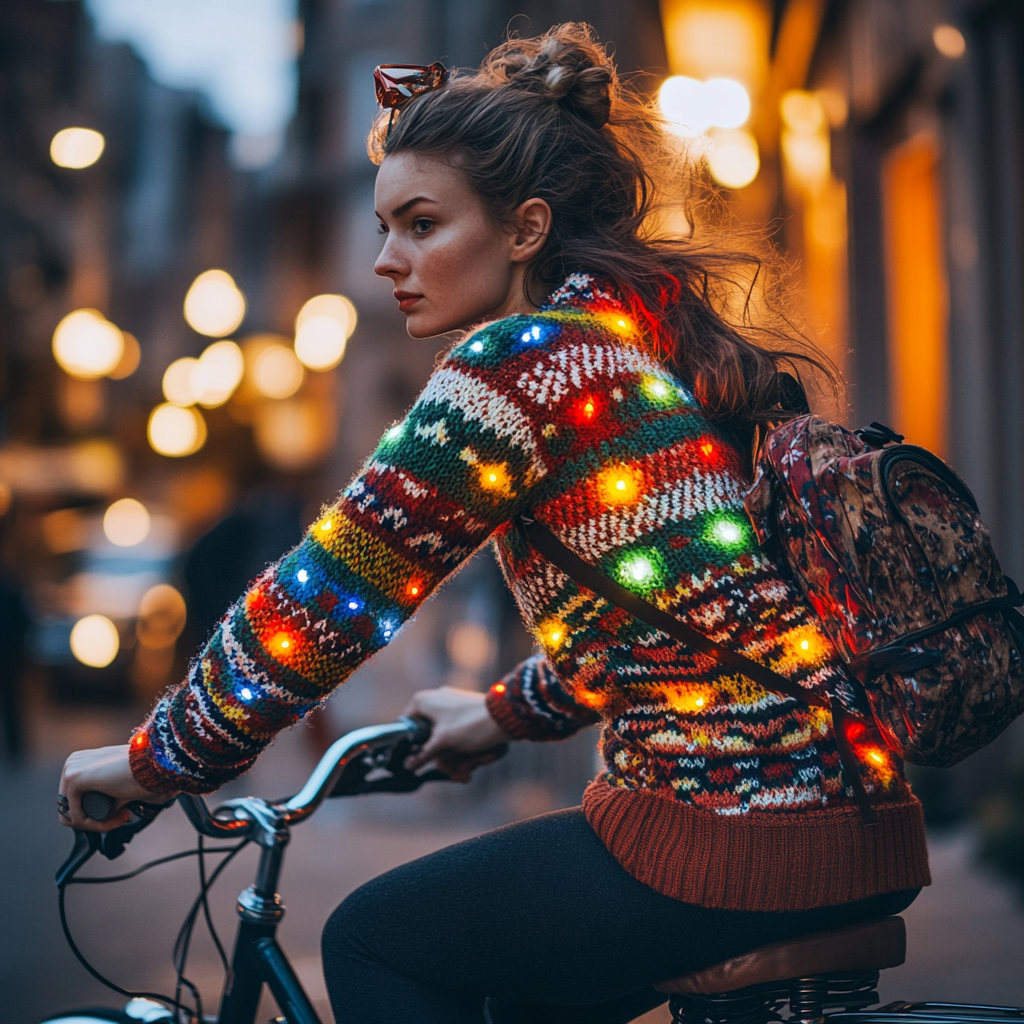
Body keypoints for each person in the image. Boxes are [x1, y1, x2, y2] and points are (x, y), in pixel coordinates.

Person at [58, 24, 930, 1024]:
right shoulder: (628, 342)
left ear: (523, 231)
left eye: (422, 224)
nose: (388, 258)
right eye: (384, 225)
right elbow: (677, 611)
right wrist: (505, 711)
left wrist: (156, 759)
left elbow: (333, 593)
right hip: (850, 819)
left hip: (733, 831)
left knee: (375, 938)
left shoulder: (517, 366)